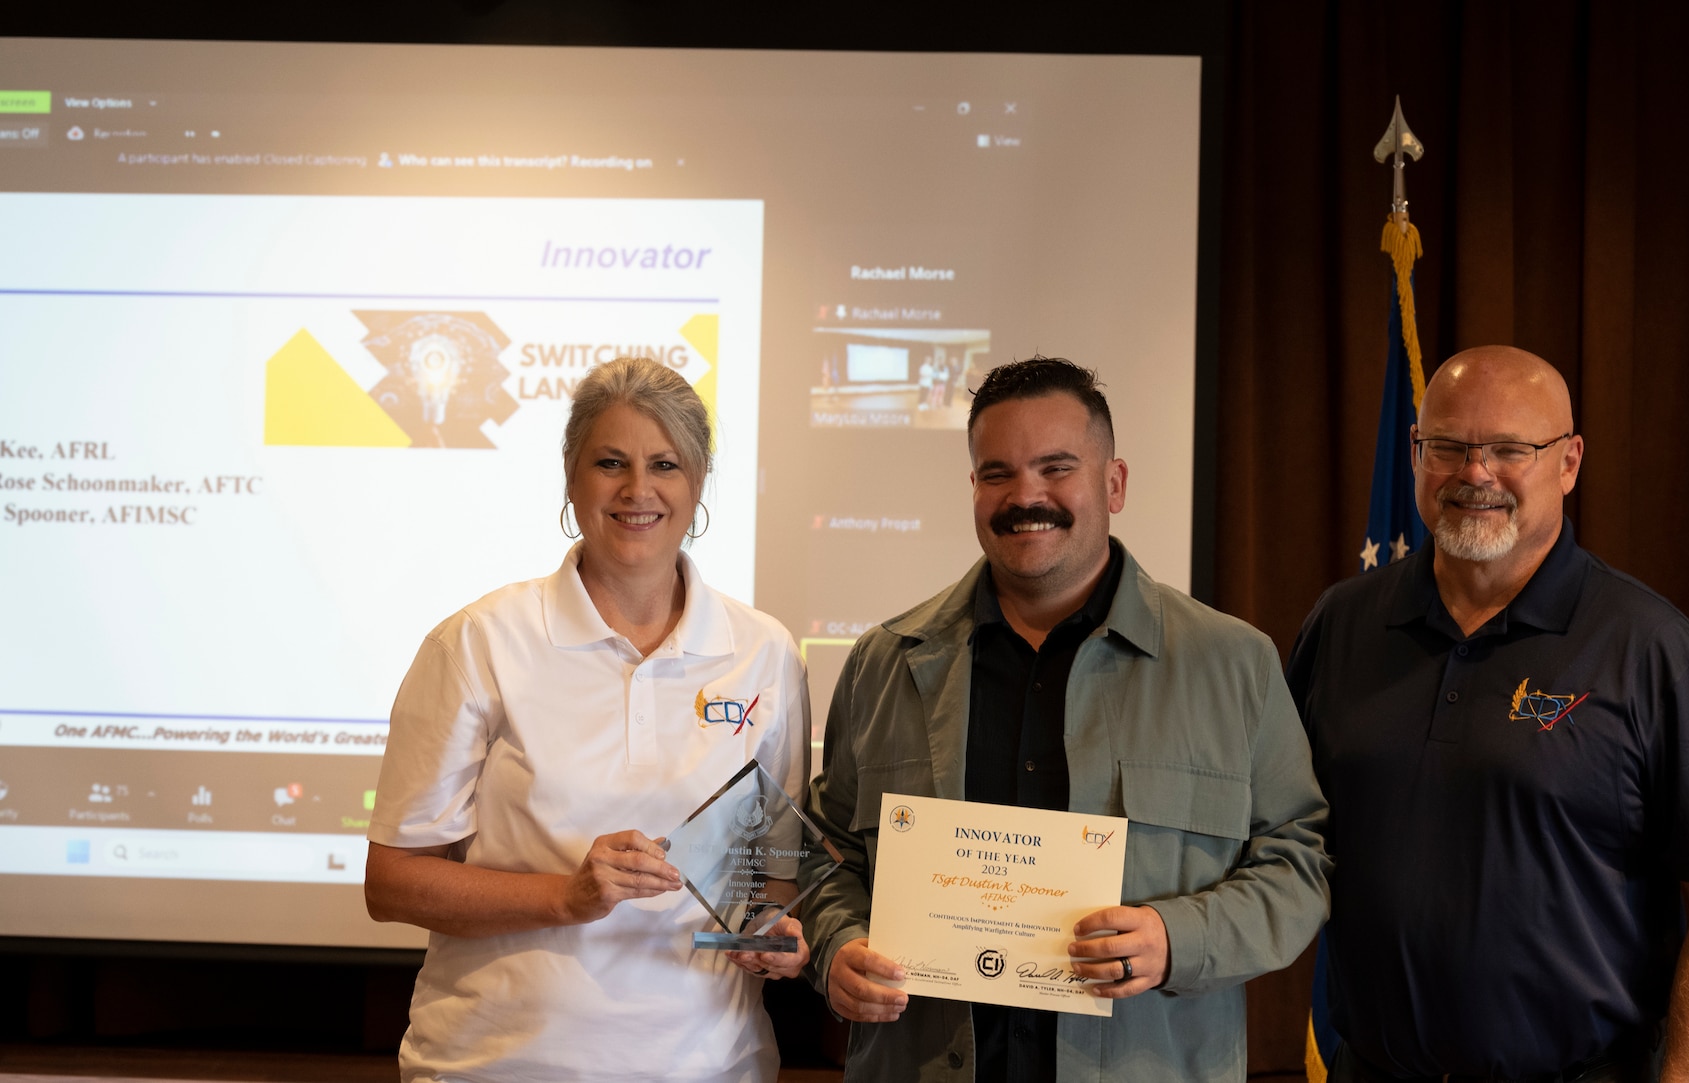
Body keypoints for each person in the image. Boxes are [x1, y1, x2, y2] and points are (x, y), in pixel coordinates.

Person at [800, 355, 1332, 1081]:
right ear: (974, 487)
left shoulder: (1231, 663)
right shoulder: (885, 662)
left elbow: (1299, 862)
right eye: (998, 473)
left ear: (1113, 482)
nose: (1026, 496)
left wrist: (1176, 939)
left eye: (1056, 468)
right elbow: (825, 852)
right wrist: (837, 945)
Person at [1288, 346, 1689, 1083]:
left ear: (1569, 461)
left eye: (1510, 449)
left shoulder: (1656, 653)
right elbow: (1274, 833)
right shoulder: (1342, 624)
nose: (1474, 473)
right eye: (1447, 446)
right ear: (1417, 454)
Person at [365, 356, 811, 1083]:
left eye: (665, 464)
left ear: (697, 485)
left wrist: (777, 937)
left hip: (708, 1065)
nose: (638, 489)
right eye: (611, 462)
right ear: (572, 480)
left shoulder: (765, 652)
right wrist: (566, 895)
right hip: (497, 1063)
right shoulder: (480, 640)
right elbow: (391, 883)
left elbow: (774, 878)